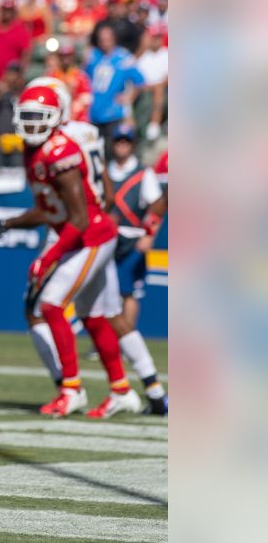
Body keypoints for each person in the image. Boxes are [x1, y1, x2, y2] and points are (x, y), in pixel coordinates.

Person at [0, 84, 143, 418]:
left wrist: (48, 255)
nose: (31, 125)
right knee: (92, 315)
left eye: (38, 118)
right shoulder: (35, 152)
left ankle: (71, 389)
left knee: (51, 304)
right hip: (81, 234)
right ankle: (122, 390)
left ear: (57, 118)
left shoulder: (60, 151)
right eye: (26, 118)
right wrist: (12, 222)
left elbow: (79, 217)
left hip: (92, 235)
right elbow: (49, 210)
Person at [105, 124, 168, 414]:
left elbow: (157, 204)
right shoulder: (106, 169)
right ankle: (119, 342)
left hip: (131, 239)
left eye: (126, 141)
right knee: (108, 296)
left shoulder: (143, 173)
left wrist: (149, 233)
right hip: (107, 240)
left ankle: (125, 338)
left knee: (128, 293)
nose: (121, 145)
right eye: (118, 140)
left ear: (133, 144)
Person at [86, 26, 144, 141]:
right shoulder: (94, 56)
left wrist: (129, 98)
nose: (104, 43)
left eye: (107, 39)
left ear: (114, 39)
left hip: (113, 113)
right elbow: (84, 78)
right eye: (101, 40)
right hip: (93, 111)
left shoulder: (124, 57)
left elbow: (140, 81)